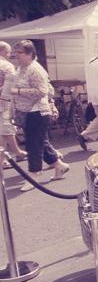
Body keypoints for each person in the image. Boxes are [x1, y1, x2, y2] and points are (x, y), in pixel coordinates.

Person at [11, 40, 69, 191]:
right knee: (40, 142)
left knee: (33, 145)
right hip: (28, 112)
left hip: (38, 112)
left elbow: (43, 91)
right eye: (15, 53)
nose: (16, 56)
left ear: (30, 53)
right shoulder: (22, 68)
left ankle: (34, 175)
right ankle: (59, 165)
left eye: (20, 53)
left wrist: (18, 91)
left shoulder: (35, 69)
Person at [0, 41, 27, 164]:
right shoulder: (7, 66)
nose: (10, 55)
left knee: (2, 129)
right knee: (7, 127)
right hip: (3, 102)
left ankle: (3, 158)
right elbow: (11, 86)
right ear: (4, 52)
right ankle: (16, 152)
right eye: (9, 52)